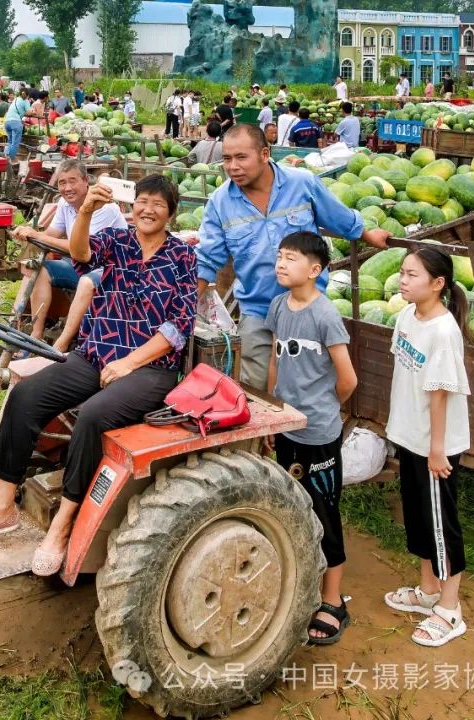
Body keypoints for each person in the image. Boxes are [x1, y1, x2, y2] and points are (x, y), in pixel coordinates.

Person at [0, 175, 198, 576]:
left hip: (151, 367)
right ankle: (2, 508)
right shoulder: (118, 242)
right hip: (96, 354)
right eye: (142, 202)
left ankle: (63, 524)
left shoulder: (182, 257)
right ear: (132, 207)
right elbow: (81, 253)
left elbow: (178, 327)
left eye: (158, 203)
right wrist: (85, 211)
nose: (148, 209)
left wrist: (131, 362)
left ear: (170, 213)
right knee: (24, 397)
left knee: (93, 417)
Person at [195, 124, 389, 390]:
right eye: (227, 158)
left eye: (241, 157)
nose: (232, 167)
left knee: (308, 386)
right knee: (258, 387)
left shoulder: (302, 183)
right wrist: (184, 308)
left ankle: (308, 430)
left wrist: (368, 235)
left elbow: (338, 217)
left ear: (264, 154)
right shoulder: (220, 202)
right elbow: (206, 260)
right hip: (258, 311)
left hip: (306, 308)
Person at [265, 231, 357, 645]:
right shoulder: (277, 306)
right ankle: (299, 577)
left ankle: (333, 601)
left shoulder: (325, 315)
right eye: (279, 257)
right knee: (289, 503)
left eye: (291, 258)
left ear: (315, 270)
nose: (282, 264)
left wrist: (322, 409)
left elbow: (347, 380)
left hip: (318, 432)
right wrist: (271, 412)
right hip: (284, 426)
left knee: (324, 510)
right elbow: (275, 361)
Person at [383, 247, 471, 648]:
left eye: (412, 275)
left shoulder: (443, 330)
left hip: (435, 445)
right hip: (410, 436)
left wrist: (437, 449)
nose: (403, 280)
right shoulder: (406, 316)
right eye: (402, 273)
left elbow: (439, 394)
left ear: (438, 284)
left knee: (440, 526)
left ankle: (450, 610)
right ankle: (428, 590)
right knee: (419, 519)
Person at [13, 160, 128, 343]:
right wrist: (28, 232)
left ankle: (62, 342)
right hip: (80, 266)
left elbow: (81, 250)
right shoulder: (64, 205)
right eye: (62, 182)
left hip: (108, 270)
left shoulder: (103, 207)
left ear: (85, 181)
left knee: (85, 280)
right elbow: (51, 234)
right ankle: (30, 334)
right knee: (36, 268)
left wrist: (39, 236)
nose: (67, 188)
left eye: (72, 181)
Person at [4, 89, 31, 162]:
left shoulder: (16, 99)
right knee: (15, 143)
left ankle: (5, 157)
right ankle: (12, 160)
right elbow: (29, 113)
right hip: (16, 123)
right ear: (28, 95)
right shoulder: (26, 101)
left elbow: (15, 112)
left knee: (9, 141)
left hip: (7, 122)